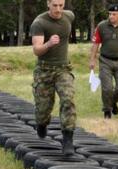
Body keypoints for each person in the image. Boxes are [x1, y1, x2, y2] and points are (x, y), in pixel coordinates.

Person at [30, 0, 76, 155]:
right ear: (48, 4)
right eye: (55, 5)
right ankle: (41, 123)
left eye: (61, 5)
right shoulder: (40, 22)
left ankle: (68, 139)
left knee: (68, 99)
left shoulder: (69, 16)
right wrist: (49, 44)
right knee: (43, 109)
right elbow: (36, 50)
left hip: (63, 69)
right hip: (44, 70)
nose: (58, 9)